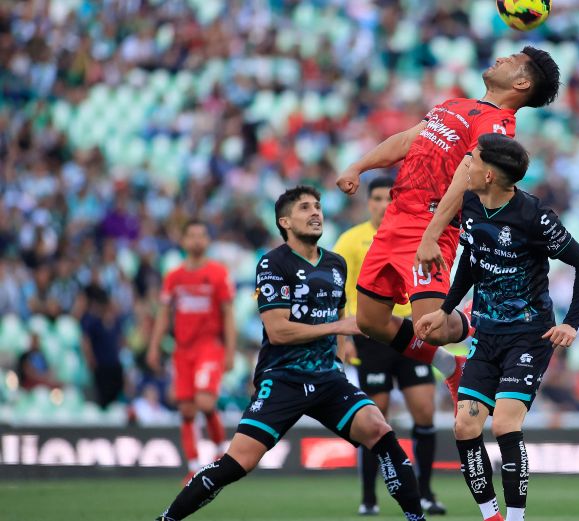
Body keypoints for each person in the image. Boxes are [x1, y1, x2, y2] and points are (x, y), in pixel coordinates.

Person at [155, 186, 427, 521]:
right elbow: (279, 331)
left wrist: (338, 362)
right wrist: (337, 330)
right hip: (283, 378)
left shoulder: (335, 264)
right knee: (237, 463)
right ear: (285, 221)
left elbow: (340, 315)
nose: (315, 213)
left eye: (317, 207)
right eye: (304, 208)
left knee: (380, 432)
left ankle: (417, 518)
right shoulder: (272, 263)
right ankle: (167, 519)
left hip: (328, 379)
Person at [336, 47, 562, 408]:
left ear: (521, 82)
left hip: (429, 223)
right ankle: (451, 366)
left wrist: (430, 236)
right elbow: (408, 141)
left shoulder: (498, 125)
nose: (502, 57)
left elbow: (469, 176)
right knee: (370, 320)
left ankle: (480, 315)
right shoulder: (453, 105)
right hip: (395, 218)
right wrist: (357, 167)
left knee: (434, 328)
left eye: (513, 60)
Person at [416, 134, 579, 521]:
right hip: (486, 334)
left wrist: (571, 323)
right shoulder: (469, 203)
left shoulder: (535, 217)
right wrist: (446, 309)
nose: (466, 163)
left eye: (473, 160)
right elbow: (473, 259)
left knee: (503, 423)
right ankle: (492, 517)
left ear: (488, 176)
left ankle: (515, 520)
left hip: (529, 335)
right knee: (465, 426)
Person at [333, 177, 446, 516]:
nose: (383, 204)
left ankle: (425, 492)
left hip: (410, 331)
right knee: (375, 418)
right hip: (370, 338)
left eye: (388, 198)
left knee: (424, 411)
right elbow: (338, 290)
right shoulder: (351, 240)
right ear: (369, 203)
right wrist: (342, 337)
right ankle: (369, 497)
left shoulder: (415, 236)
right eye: (377, 198)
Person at [146, 220, 236, 481]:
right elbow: (164, 314)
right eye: (192, 236)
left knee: (205, 401)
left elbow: (228, 314)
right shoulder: (174, 277)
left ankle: (221, 452)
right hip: (183, 349)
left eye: (201, 235)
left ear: (207, 241)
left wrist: (230, 351)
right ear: (183, 241)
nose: (196, 240)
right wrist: (154, 346)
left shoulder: (218, 273)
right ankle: (194, 466)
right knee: (186, 410)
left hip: (209, 346)